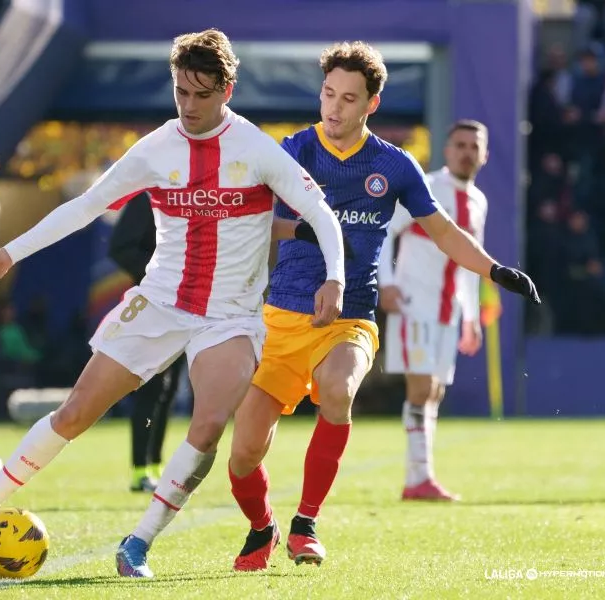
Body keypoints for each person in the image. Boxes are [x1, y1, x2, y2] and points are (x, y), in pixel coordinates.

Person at [0, 28, 346, 579]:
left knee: (208, 425)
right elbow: (83, 206)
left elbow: (320, 214)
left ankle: (138, 543)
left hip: (230, 317)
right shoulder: (154, 149)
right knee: (76, 412)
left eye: (201, 94)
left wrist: (334, 278)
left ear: (228, 88)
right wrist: (9, 253)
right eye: (180, 93)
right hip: (158, 303)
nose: (189, 106)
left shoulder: (258, 150)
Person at [226, 42, 539, 571]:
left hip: (350, 318)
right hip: (280, 319)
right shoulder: (293, 151)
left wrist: (494, 271)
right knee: (242, 456)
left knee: (338, 389)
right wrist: (304, 229)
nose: (334, 107)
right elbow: (251, 224)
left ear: (371, 103)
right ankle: (263, 527)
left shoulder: (394, 166)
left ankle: (305, 524)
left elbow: (443, 232)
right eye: (328, 93)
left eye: (349, 98)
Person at [378, 120, 491, 502]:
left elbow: (473, 262)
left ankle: (421, 477)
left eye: (473, 146)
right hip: (415, 301)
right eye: (459, 144)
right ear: (447, 150)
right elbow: (385, 232)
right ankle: (418, 479)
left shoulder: (478, 202)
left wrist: (471, 317)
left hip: (449, 310)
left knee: (435, 391)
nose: (466, 152)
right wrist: (387, 283)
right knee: (422, 387)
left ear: (485, 154)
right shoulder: (426, 187)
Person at [108, 193, 183, 492]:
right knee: (151, 386)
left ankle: (155, 465)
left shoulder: (194, 195)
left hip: (189, 303)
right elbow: (119, 248)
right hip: (153, 302)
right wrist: (160, 274)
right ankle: (140, 469)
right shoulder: (147, 196)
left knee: (169, 390)